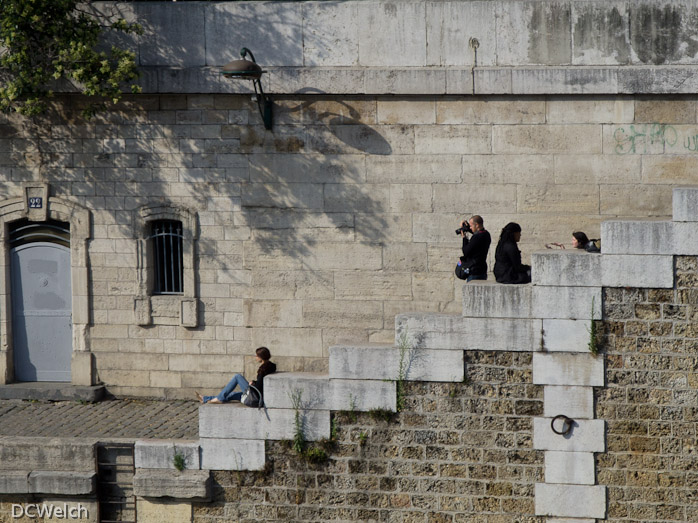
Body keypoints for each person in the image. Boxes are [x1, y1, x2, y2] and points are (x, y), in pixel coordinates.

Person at [197, 347, 276, 404]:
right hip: (259, 394)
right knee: (231, 394)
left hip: (255, 395)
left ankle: (219, 399)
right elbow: (262, 382)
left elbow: (259, 386)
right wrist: (254, 381)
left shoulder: (263, 369)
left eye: (256, 356)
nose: (255, 357)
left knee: (237, 376)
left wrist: (253, 383)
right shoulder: (271, 366)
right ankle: (205, 399)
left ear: (261, 357)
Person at [456, 215, 491, 282]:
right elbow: (477, 233)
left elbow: (465, 251)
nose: (470, 227)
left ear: (477, 225)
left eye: (471, 225)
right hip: (482, 270)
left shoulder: (476, 237)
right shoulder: (486, 234)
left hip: (474, 271)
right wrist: (467, 228)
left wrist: (464, 237)